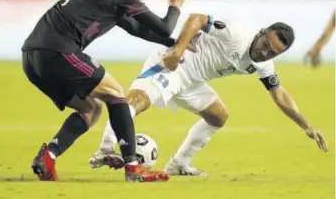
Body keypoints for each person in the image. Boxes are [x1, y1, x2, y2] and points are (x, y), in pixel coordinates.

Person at [90, 14, 329, 176]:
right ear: (261, 33)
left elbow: (279, 95)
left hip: (193, 82)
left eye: (272, 53)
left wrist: (306, 126)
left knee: (218, 116)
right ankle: (106, 149)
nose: (264, 52)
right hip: (175, 65)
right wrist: (178, 49)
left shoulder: (263, 64)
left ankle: (179, 164)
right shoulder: (237, 33)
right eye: (265, 44)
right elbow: (197, 18)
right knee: (138, 102)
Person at [21, 0, 188, 182]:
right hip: (57, 50)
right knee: (115, 93)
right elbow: (164, 25)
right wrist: (175, 6)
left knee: (91, 109)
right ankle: (133, 167)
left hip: (32, 58)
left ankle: (48, 157)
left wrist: (175, 43)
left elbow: (139, 30)